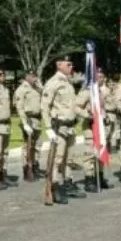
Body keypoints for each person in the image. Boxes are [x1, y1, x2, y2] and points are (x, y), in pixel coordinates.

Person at [41, 55, 81, 203]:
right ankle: (54, 188)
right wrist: (47, 127)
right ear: (59, 65)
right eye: (68, 64)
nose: (72, 67)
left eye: (71, 64)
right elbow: (45, 106)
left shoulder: (67, 82)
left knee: (68, 159)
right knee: (57, 160)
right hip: (59, 127)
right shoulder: (53, 83)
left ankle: (67, 184)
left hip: (70, 127)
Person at [14, 71, 44, 179]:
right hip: (28, 119)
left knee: (37, 145)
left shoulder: (36, 88)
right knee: (28, 146)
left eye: (35, 76)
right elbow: (19, 108)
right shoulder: (21, 90)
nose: (34, 78)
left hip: (37, 120)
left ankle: (35, 165)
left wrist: (40, 85)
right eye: (32, 76)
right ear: (26, 77)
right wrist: (25, 123)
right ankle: (27, 168)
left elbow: (45, 94)